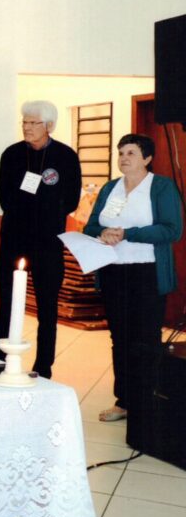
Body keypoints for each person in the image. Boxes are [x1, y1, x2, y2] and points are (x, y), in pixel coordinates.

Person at [83, 134, 182, 422]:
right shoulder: (110, 188)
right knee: (120, 338)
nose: (124, 158)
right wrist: (102, 233)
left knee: (147, 338)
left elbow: (171, 230)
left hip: (147, 272)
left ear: (147, 158)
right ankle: (124, 401)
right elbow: (90, 225)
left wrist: (128, 233)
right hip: (114, 271)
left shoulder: (161, 187)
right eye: (121, 153)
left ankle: (147, 401)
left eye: (131, 153)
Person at [0, 100, 81, 378]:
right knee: (7, 303)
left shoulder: (66, 156)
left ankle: (43, 367)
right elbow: (5, 197)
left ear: (50, 126)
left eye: (33, 123)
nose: (27, 127)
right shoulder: (11, 155)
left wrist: (39, 205)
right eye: (24, 122)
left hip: (47, 243)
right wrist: (38, 203)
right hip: (14, 240)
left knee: (47, 306)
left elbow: (70, 200)